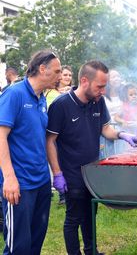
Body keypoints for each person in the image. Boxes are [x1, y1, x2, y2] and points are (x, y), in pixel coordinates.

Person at [46, 60, 137, 255]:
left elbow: (105, 128)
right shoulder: (61, 105)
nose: (103, 90)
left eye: (105, 86)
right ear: (84, 81)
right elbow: (50, 141)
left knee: (90, 213)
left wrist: (122, 134)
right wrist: (57, 174)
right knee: (73, 217)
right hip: (71, 172)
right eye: (100, 86)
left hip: (92, 171)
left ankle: (91, 251)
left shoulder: (98, 102)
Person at [0, 50, 62, 254]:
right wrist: (9, 177)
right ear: (42, 69)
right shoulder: (15, 94)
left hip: (41, 182)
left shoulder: (41, 99)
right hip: (19, 184)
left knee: (35, 243)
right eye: (57, 71)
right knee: (18, 246)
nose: (60, 76)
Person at [46, 65, 73, 205]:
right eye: (64, 74)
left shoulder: (72, 92)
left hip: (67, 134)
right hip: (53, 133)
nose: (67, 77)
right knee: (55, 161)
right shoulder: (50, 93)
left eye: (69, 75)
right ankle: (61, 193)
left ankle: (67, 192)